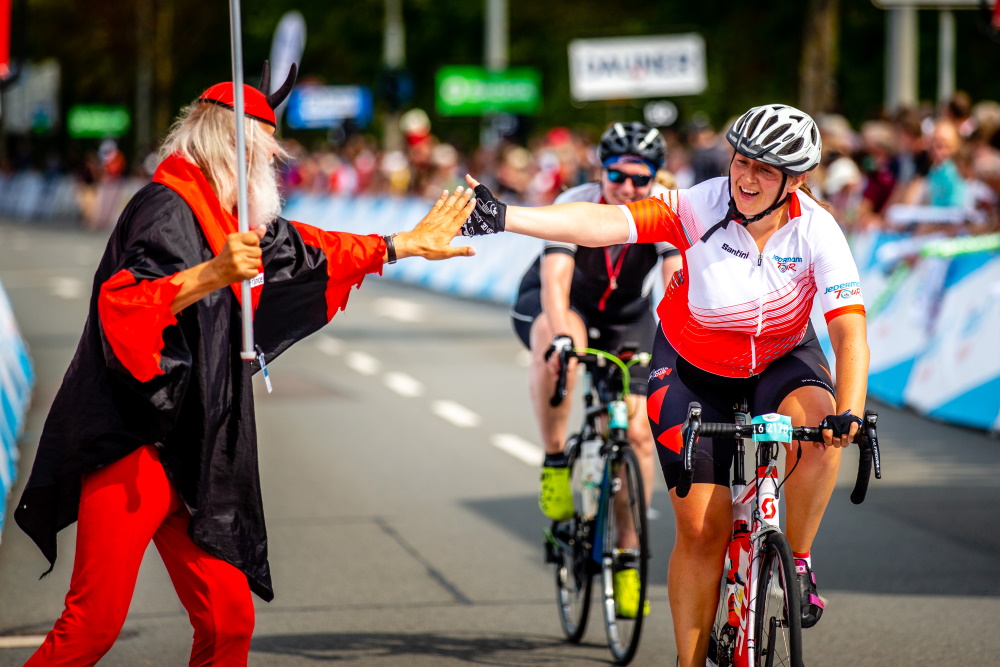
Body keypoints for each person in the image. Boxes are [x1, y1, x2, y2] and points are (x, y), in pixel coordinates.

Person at [13, 62, 476, 666]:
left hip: (190, 447)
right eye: (267, 157)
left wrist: (398, 245)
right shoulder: (166, 207)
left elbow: (311, 250)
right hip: (132, 442)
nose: (275, 171)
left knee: (229, 620)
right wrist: (212, 273)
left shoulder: (231, 217)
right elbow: (122, 305)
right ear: (240, 151)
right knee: (93, 626)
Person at [462, 104, 869, 667]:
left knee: (821, 431)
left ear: (796, 180)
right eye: (741, 161)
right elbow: (605, 223)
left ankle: (795, 559)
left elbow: (849, 329)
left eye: (766, 170)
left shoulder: (817, 228)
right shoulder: (700, 204)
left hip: (780, 354)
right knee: (703, 530)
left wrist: (850, 410)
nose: (747, 179)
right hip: (691, 365)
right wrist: (507, 216)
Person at [511, 121, 680, 617]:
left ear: (656, 178)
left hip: (628, 320)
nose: (628, 188)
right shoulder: (576, 200)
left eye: (641, 179)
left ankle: (628, 551)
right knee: (559, 347)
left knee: (637, 432)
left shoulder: (666, 210)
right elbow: (556, 282)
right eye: (617, 176)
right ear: (600, 171)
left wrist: (676, 343)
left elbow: (674, 284)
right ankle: (555, 458)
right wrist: (563, 335)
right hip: (563, 307)